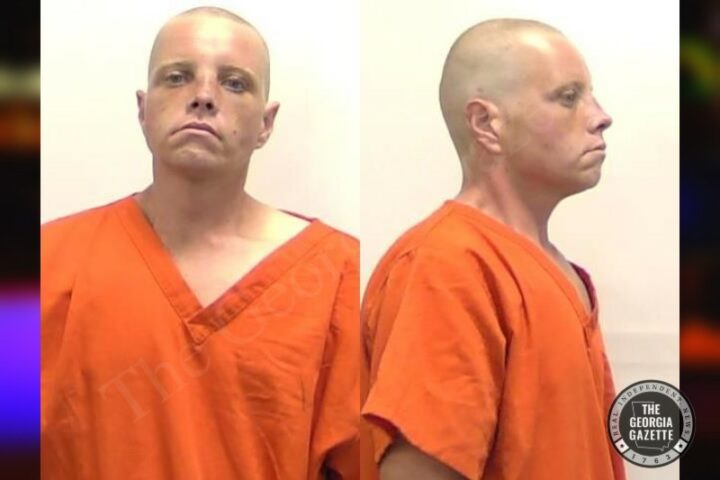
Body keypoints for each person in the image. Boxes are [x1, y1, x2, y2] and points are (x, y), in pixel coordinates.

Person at [41, 7, 359, 479]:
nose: (204, 96)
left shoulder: (336, 275)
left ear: (266, 123)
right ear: (143, 109)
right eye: (177, 77)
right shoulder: (46, 262)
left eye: (235, 83)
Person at [361, 19, 625, 479]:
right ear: (486, 123)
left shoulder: (554, 270)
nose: (601, 116)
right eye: (568, 97)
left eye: (590, 95)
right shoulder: (448, 266)